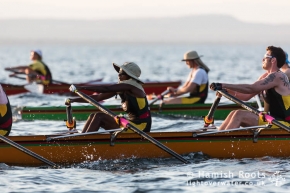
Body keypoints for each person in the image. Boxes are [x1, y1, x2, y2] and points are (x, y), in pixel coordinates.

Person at [210, 45, 290, 130]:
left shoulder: (278, 76)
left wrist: (223, 85)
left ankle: (223, 141)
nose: (262, 59)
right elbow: (246, 96)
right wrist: (227, 91)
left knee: (239, 115)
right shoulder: (265, 77)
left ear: (273, 60)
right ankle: (216, 138)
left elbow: (251, 88)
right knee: (234, 112)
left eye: (265, 57)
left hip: (283, 124)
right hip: (270, 120)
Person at [66, 62, 152, 133]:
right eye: (119, 72)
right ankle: (82, 138)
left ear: (129, 76)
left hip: (141, 127)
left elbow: (105, 89)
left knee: (100, 116)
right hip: (129, 123)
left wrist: (81, 87)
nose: (119, 75)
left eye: (122, 73)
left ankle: (84, 142)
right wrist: (73, 100)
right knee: (93, 115)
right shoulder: (123, 87)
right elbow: (98, 97)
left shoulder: (131, 87)